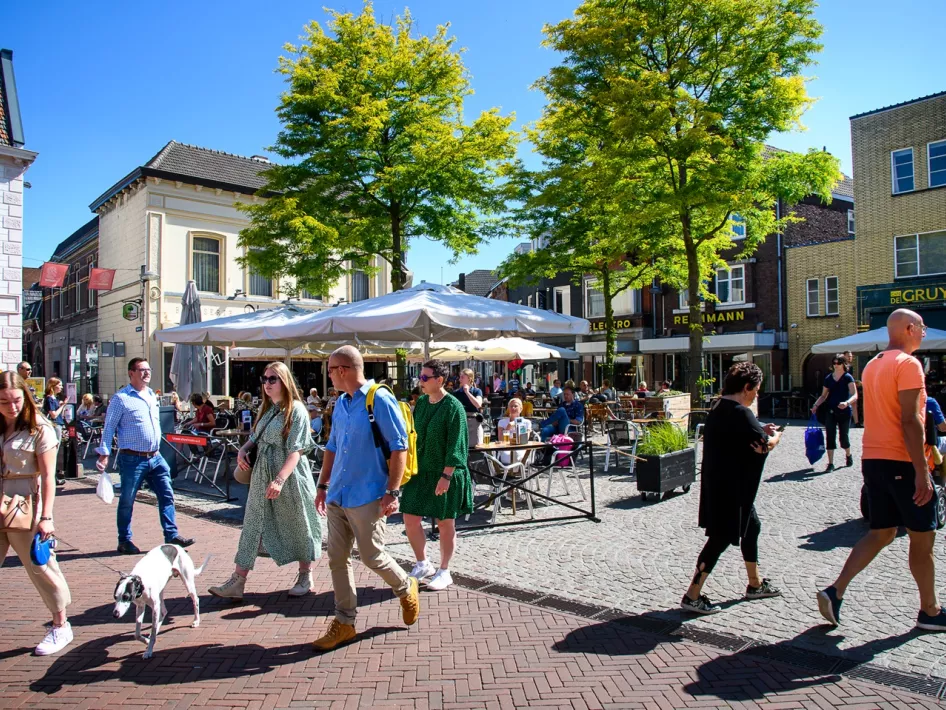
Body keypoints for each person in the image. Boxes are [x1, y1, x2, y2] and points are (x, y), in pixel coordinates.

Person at [817, 309, 946, 631]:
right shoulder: (908, 364)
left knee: (882, 532)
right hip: (901, 461)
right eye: (922, 327)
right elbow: (910, 419)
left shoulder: (873, 365)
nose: (924, 332)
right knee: (922, 536)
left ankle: (836, 591)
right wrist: (921, 470)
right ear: (908, 328)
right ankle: (930, 612)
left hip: (873, 459)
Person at [312, 346, 420, 651]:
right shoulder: (341, 403)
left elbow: (399, 448)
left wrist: (392, 491)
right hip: (338, 494)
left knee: (372, 556)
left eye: (331, 369)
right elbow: (332, 446)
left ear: (343, 369)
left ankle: (405, 585)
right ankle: (344, 622)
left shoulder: (379, 399)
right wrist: (322, 485)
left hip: (368, 494)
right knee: (337, 558)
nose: (329, 375)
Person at [209, 362, 322, 600]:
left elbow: (297, 450)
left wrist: (280, 479)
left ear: (284, 381)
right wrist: (244, 449)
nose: (267, 384)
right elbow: (255, 436)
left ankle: (305, 575)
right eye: (265, 379)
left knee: (300, 521)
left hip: (289, 476)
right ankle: (238, 580)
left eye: (273, 379)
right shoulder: (268, 409)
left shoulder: (297, 410)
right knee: (252, 523)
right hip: (262, 475)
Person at [681, 362, 783, 614]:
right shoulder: (740, 412)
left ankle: (755, 583)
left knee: (752, 526)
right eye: (756, 390)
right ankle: (692, 595)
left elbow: (745, 436)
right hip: (732, 488)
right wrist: (775, 436)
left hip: (719, 482)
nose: (757, 394)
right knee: (720, 539)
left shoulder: (718, 406)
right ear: (747, 387)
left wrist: (760, 430)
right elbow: (763, 445)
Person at [0, 372, 74, 655]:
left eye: (16, 400)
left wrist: (46, 516)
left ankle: (60, 625)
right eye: (4, 402)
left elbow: (47, 476)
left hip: (24, 503)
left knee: (40, 566)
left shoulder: (39, 428)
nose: (12, 407)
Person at [96, 358, 194, 555]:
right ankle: (124, 540)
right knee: (127, 499)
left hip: (155, 457)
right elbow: (109, 427)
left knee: (167, 494)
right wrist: (104, 453)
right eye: (142, 370)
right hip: (133, 458)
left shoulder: (150, 394)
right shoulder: (121, 398)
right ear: (131, 373)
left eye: (148, 369)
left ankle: (171, 535)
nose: (147, 373)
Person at [401, 360, 473, 592]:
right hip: (420, 471)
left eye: (424, 378)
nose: (419, 382)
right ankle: (423, 563)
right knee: (410, 516)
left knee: (445, 522)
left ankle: (444, 570)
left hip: (445, 472)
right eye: (420, 377)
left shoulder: (453, 407)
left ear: (439, 380)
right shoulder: (421, 403)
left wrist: (447, 475)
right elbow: (413, 435)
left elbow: (457, 445)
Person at [810, 354, 857, 472]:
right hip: (831, 411)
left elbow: (854, 394)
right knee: (830, 436)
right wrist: (816, 405)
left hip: (845, 411)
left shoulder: (848, 377)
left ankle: (848, 454)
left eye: (838, 363)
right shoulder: (828, 378)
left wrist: (847, 403)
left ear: (843, 364)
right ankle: (830, 463)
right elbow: (823, 395)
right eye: (834, 363)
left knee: (843, 438)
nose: (836, 365)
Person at [451, 368, 484, 447]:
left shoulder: (477, 391)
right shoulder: (456, 393)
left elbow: (478, 404)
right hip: (461, 422)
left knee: (477, 446)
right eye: (460, 377)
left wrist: (467, 392)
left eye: (462, 377)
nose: (460, 379)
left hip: (474, 421)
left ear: (469, 379)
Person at [497, 398, 532, 464]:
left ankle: (516, 472)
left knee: (517, 455)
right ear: (508, 409)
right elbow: (501, 439)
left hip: (521, 448)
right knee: (508, 456)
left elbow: (525, 439)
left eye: (515, 406)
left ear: (521, 409)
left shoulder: (527, 422)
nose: (513, 408)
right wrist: (508, 428)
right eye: (511, 406)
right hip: (506, 448)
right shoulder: (502, 422)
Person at [844, 350, 861, 427]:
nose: (850, 357)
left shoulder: (850, 367)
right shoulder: (841, 366)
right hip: (843, 388)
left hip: (850, 388)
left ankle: (856, 422)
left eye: (851, 356)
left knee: (854, 403)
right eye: (848, 356)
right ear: (844, 356)